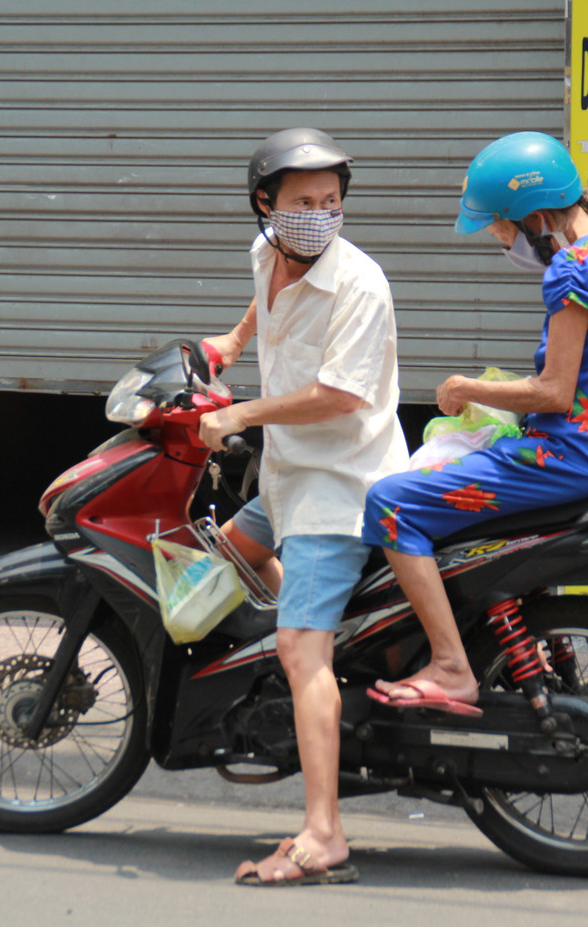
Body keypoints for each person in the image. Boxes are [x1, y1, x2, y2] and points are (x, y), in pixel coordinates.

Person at [361, 131, 588, 713]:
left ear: (536, 218)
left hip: (561, 463)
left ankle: (449, 666)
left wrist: (466, 387)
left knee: (389, 504)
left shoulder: (574, 269)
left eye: (500, 225)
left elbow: (554, 392)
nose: (498, 239)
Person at [197, 127, 408, 886]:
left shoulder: (360, 284)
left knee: (298, 650)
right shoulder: (268, 254)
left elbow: (339, 396)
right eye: (304, 202)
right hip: (287, 476)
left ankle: (326, 831)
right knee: (218, 556)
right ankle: (332, 636)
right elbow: (264, 306)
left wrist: (239, 413)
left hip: (339, 485)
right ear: (266, 205)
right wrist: (228, 341)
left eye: (331, 201)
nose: (320, 213)